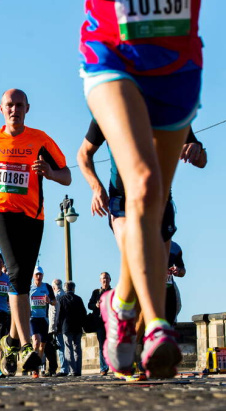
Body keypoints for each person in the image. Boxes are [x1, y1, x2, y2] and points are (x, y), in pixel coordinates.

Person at [80, 0, 202, 379]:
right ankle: (156, 327)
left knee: (154, 199)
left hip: (176, 62)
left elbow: (201, 157)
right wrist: (96, 187)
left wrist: (196, 149)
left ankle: (120, 304)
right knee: (145, 186)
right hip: (112, 53)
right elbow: (83, 155)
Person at [0, 88, 71, 374]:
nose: (14, 109)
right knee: (15, 273)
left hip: (34, 216)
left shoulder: (40, 139)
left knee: (21, 277)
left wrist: (49, 171)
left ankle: (9, 340)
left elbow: (67, 176)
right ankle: (25, 346)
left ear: (27, 108)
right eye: (9, 105)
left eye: (19, 105)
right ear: (1, 110)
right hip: (0, 214)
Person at [29, 267, 56, 377]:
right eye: (37, 275)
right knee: (35, 341)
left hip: (44, 319)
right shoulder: (29, 288)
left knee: (43, 345)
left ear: (43, 275)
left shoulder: (47, 287)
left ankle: (36, 366)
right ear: (33, 276)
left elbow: (54, 302)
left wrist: (49, 301)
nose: (38, 277)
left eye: (40, 275)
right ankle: (34, 367)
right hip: (33, 318)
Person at [57, 282, 86, 376]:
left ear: (65, 289)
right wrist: (83, 325)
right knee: (77, 349)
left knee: (68, 348)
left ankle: (72, 370)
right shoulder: (78, 299)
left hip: (66, 327)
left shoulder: (62, 299)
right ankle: (78, 370)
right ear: (74, 288)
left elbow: (59, 315)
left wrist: (58, 327)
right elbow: (83, 313)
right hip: (77, 327)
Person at [88, 272, 112, 376]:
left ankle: (115, 365)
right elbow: (89, 305)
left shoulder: (113, 291)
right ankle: (104, 368)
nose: (105, 280)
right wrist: (96, 305)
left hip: (112, 323)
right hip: (100, 323)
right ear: (100, 280)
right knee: (102, 346)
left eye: (106, 278)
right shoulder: (96, 292)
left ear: (110, 280)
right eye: (103, 278)